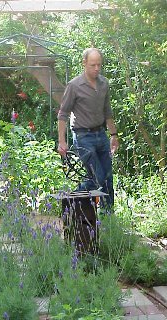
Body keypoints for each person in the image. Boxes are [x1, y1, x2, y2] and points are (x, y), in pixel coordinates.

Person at [57, 48, 119, 212]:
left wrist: (113, 134)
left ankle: (108, 217)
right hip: (83, 136)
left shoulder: (104, 84)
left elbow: (108, 111)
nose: (97, 68)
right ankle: (71, 200)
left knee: (108, 178)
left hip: (102, 135)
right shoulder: (74, 86)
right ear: (84, 63)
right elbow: (62, 114)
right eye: (93, 65)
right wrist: (62, 141)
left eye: (99, 65)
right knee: (97, 177)